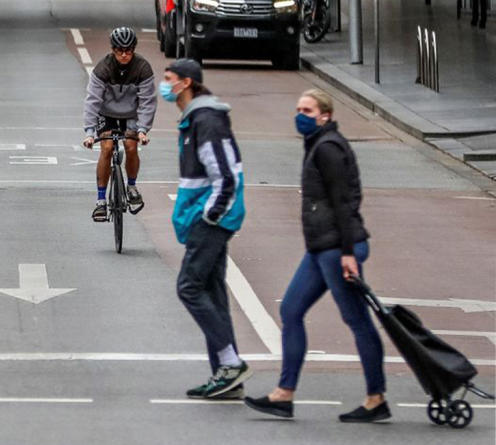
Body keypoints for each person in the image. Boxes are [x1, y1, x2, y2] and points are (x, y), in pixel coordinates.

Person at [244, 89, 389, 422]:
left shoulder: (328, 148)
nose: (301, 115)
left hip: (338, 248)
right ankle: (284, 394)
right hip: (323, 247)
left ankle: (376, 397)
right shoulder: (319, 144)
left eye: (307, 110)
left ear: (325, 114)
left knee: (357, 320)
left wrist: (349, 254)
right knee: (292, 309)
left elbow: (343, 201)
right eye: (298, 108)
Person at [163, 59, 248, 399]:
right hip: (207, 217)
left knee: (189, 286)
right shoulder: (195, 119)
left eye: (168, 80)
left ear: (186, 83)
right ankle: (227, 378)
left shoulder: (207, 120)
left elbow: (226, 176)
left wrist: (209, 216)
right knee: (212, 293)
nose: (164, 85)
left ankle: (230, 363)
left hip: (211, 220)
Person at [82, 27, 156, 222]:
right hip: (105, 113)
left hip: (130, 114)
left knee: (131, 146)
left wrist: (142, 130)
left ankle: (131, 186)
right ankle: (100, 202)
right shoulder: (103, 68)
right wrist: (90, 132)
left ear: (134, 49)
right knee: (106, 147)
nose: (124, 55)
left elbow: (148, 102)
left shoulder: (143, 68)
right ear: (113, 50)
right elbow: (92, 101)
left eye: (129, 50)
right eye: (119, 50)